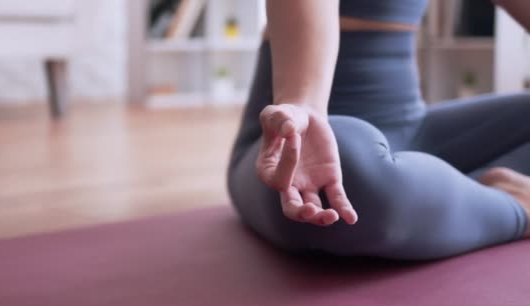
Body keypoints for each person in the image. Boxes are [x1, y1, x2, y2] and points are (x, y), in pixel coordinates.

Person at [227, 0, 530, 260]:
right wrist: (304, 106)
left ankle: (450, 199)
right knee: (346, 174)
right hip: (299, 141)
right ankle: (515, 207)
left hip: (414, 130)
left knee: (361, 176)